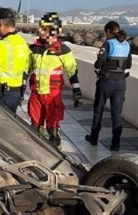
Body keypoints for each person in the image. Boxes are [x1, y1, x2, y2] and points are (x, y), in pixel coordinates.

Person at [27, 12, 81, 148]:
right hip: (36, 95)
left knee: (53, 128)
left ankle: (56, 150)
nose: (40, 31)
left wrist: (76, 91)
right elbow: (26, 68)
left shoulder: (62, 50)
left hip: (52, 96)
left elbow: (72, 71)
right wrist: (21, 86)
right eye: (40, 28)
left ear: (54, 31)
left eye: (44, 29)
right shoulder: (34, 49)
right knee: (34, 127)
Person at [86, 21, 132, 152]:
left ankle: (94, 138)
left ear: (108, 31)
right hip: (121, 83)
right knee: (116, 114)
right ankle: (115, 144)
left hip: (106, 82)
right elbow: (128, 65)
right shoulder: (127, 45)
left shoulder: (108, 43)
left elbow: (98, 64)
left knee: (98, 110)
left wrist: (99, 62)